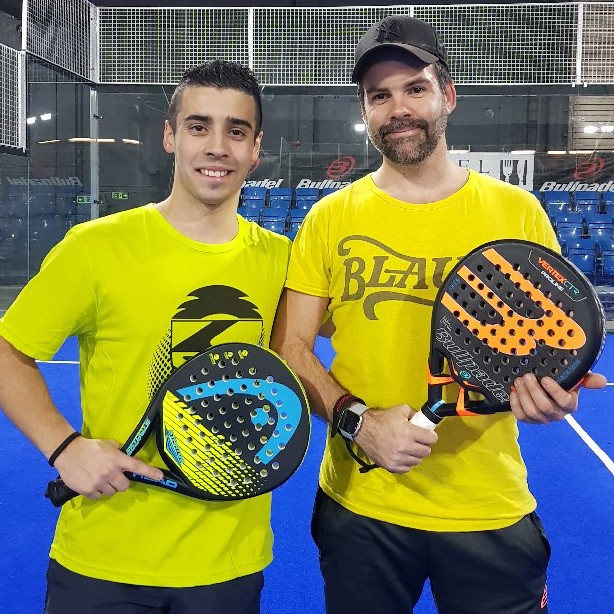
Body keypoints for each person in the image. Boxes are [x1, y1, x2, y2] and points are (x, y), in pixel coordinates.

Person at [271, 15, 606, 614]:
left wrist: (549, 394)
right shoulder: (329, 218)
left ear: (447, 95)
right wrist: (356, 422)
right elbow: (291, 346)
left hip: (487, 508)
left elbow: (545, 350)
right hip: (362, 508)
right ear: (365, 111)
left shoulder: (517, 212)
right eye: (379, 96)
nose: (398, 108)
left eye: (415, 88)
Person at [0, 60, 291, 614]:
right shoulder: (94, 248)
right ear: (170, 136)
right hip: (105, 558)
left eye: (236, 131)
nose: (217, 146)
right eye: (199, 126)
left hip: (228, 563)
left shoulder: (282, 262)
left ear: (256, 149)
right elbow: (7, 351)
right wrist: (63, 447)